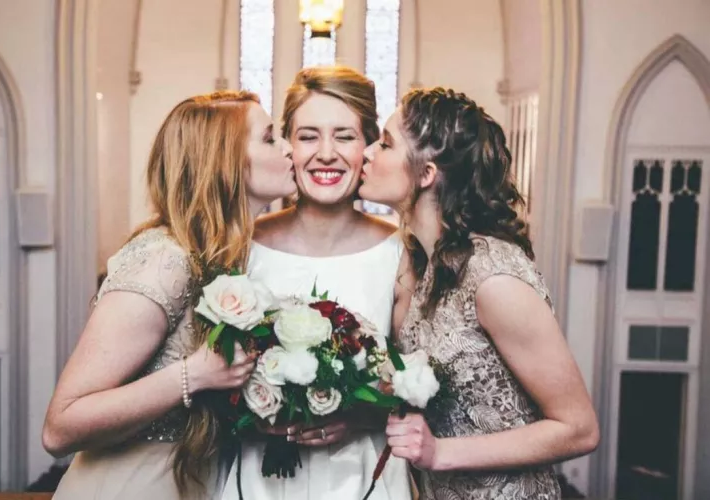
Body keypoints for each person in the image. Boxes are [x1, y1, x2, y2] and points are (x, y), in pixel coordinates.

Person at [42, 91, 297, 499]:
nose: (288, 148)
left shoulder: (232, 260)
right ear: (223, 159)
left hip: (194, 481)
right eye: (270, 138)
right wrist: (193, 375)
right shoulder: (165, 258)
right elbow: (61, 426)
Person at [360, 87, 599, 499]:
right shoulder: (429, 264)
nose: (367, 153)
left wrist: (440, 453)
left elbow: (579, 429)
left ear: (426, 174)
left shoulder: (493, 276)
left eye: (384, 143)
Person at [221, 67, 416, 500]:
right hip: (257, 476)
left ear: (367, 146)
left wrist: (361, 415)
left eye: (344, 136)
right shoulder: (241, 246)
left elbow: (420, 383)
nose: (326, 153)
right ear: (287, 144)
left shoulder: (401, 253)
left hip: (364, 476)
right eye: (308, 136)